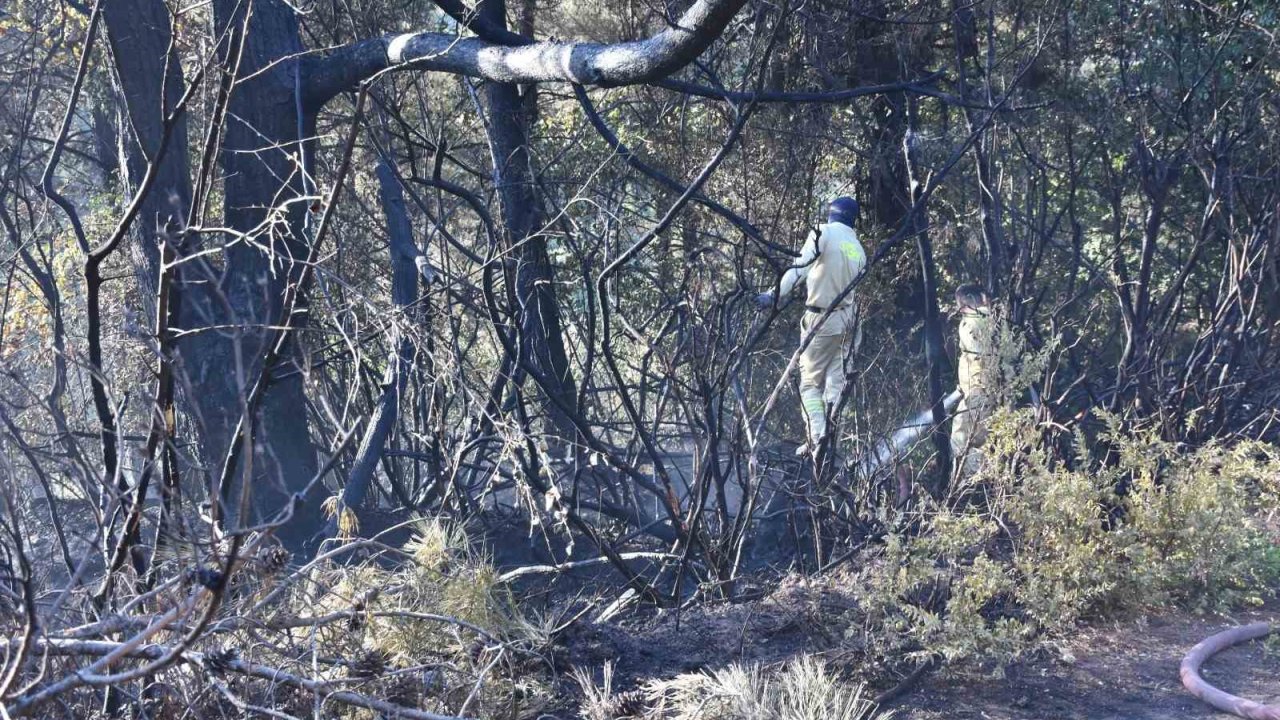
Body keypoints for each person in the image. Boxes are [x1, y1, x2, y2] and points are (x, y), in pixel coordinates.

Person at [757, 196, 867, 456]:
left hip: (822, 320)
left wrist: (772, 295)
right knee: (835, 385)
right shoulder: (857, 248)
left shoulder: (823, 233)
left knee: (809, 384)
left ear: (831, 214)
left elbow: (799, 269)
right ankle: (831, 444)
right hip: (849, 321)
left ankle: (817, 438)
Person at [951, 283, 995, 477]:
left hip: (978, 392)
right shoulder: (998, 320)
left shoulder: (971, 322)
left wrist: (975, 390)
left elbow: (980, 356)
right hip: (1000, 393)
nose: (959, 309)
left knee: (961, 437)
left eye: (960, 303)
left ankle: (973, 482)